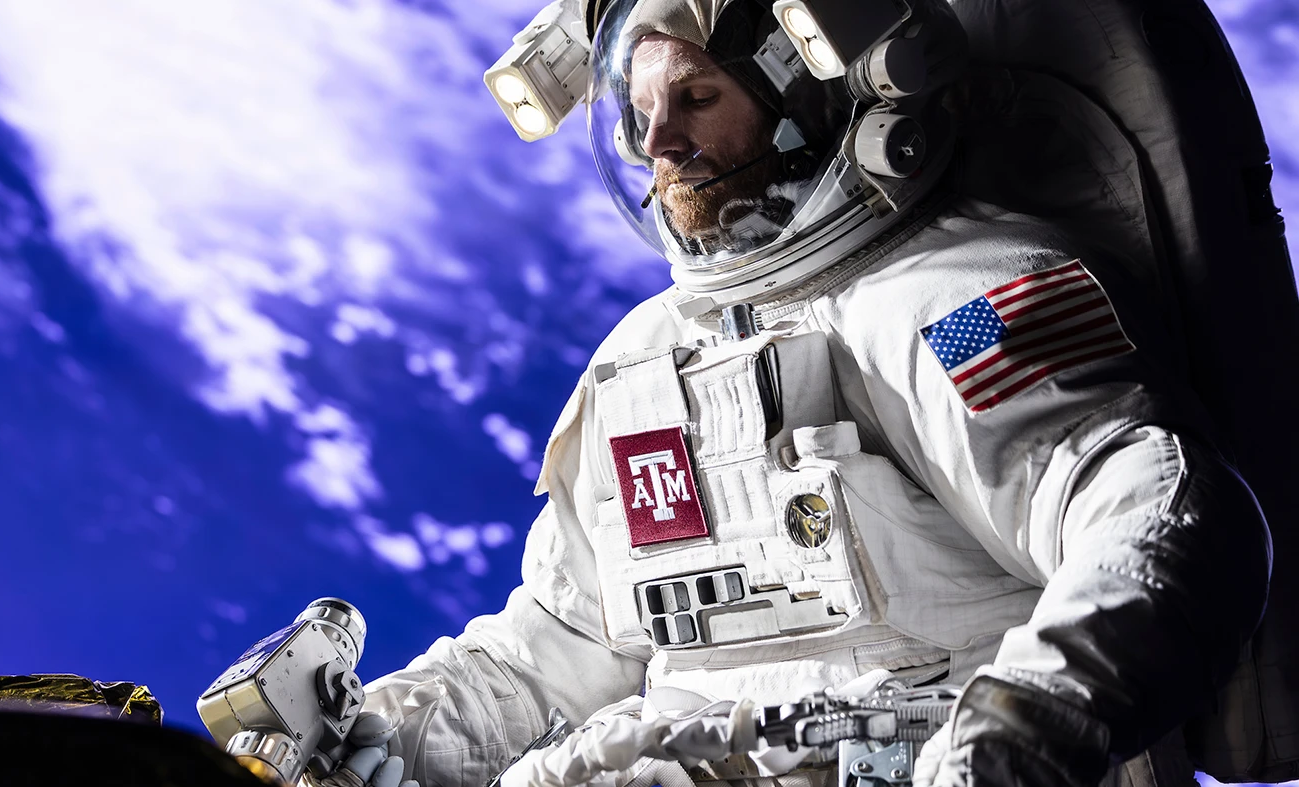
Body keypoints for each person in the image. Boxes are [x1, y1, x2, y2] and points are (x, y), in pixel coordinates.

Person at [334, 1, 1274, 786]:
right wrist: (356, 739)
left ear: (805, 104)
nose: (657, 140)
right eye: (642, 112)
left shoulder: (957, 297)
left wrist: (1017, 735)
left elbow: (1163, 516)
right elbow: (552, 650)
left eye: (697, 98)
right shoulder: (639, 360)